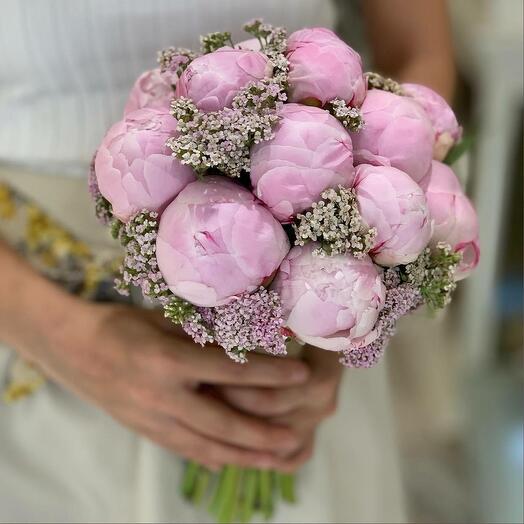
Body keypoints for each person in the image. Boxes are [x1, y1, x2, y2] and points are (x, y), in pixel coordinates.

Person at [0, 1, 455, 522]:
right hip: (38, 334)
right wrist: (57, 333)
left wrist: (334, 310)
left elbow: (420, 51)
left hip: (304, 369)